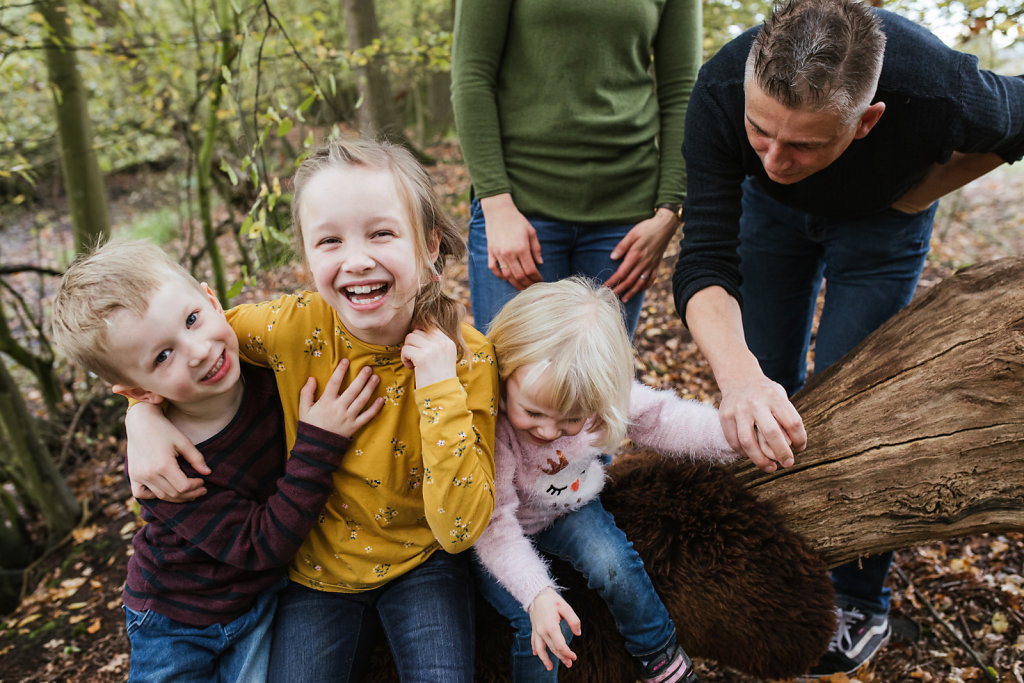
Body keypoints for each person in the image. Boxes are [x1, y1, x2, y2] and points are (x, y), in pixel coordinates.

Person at [671, 0, 1024, 675]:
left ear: (867, 121)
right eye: (760, 130)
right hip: (767, 222)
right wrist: (738, 376)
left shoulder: (940, 90)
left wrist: (927, 189)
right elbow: (705, 260)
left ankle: (860, 595)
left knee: (853, 401)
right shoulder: (720, 89)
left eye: (803, 142)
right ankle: (766, 571)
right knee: (762, 381)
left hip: (881, 226)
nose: (775, 155)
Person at [122, 137, 500, 682]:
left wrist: (438, 386)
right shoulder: (291, 327)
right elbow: (181, 347)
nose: (357, 259)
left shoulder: (467, 360)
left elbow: (461, 528)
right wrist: (142, 416)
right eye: (329, 241)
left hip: (423, 563)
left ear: (430, 244)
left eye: (382, 233)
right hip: (318, 571)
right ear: (307, 255)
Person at [50, 240, 383, 681]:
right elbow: (258, 545)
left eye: (192, 319)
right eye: (163, 356)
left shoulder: (269, 367)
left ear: (212, 300)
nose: (199, 350)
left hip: (261, 601)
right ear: (140, 392)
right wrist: (318, 443)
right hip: (176, 619)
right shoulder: (168, 467)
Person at [474, 277, 738, 683]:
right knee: (540, 624)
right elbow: (493, 526)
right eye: (534, 414)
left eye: (570, 420)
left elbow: (662, 418)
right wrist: (537, 593)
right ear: (504, 370)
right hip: (501, 532)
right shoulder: (493, 429)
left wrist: (731, 438)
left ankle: (658, 653)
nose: (547, 432)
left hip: (569, 508)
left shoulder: (592, 391)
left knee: (615, 563)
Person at [450, 0, 702, 335]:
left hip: (624, 217)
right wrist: (496, 202)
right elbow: (472, 78)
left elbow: (682, 91)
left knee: (599, 383)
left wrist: (670, 210)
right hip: (519, 210)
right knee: (514, 378)